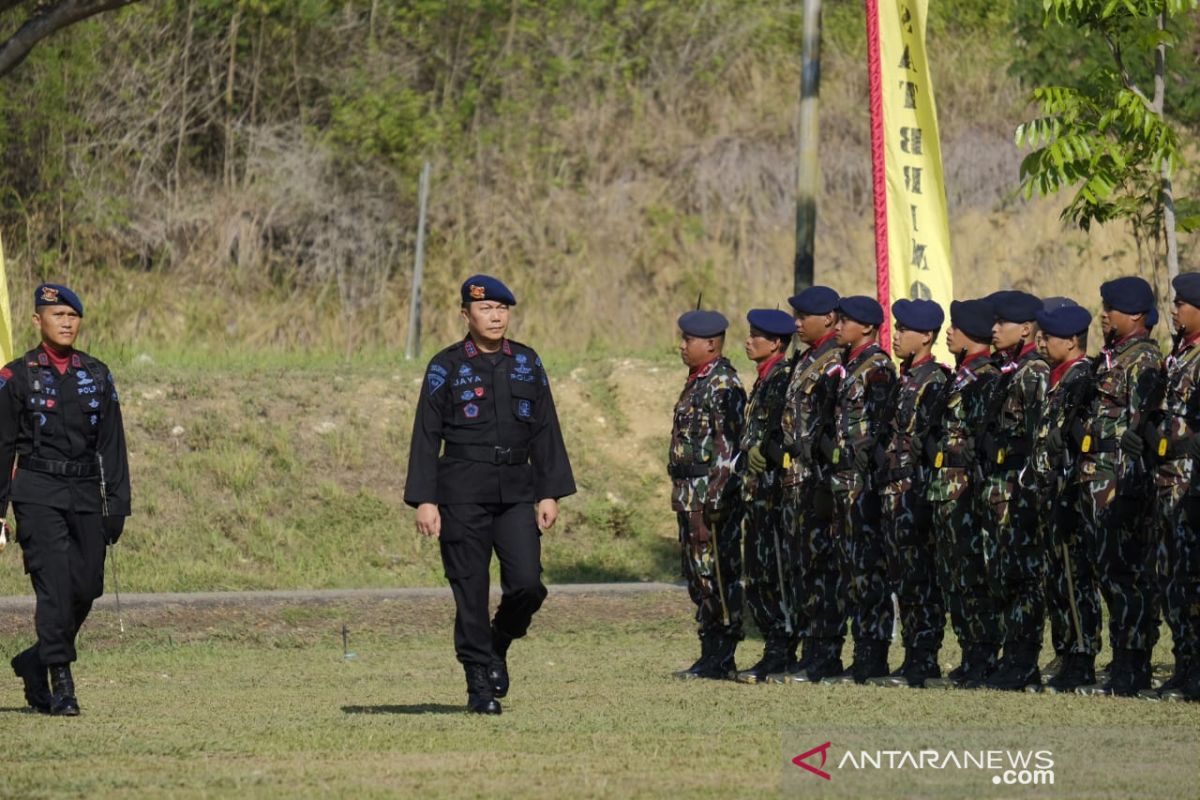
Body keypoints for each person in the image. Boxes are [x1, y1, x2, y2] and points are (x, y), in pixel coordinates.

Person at [403, 275, 575, 715]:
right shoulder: (446, 366)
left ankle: (499, 641)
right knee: (470, 591)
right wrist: (425, 499)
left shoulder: (527, 362)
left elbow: (545, 428)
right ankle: (478, 683)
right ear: (466, 314)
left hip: (517, 490)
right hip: (461, 491)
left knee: (528, 585)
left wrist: (549, 492)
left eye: (502, 309)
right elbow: (426, 435)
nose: (495, 316)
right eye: (485, 309)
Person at [0, 283, 131, 716]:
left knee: (88, 585)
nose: (67, 323)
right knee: (54, 588)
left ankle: (34, 661)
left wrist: (117, 504)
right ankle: (61, 682)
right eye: (57, 316)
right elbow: (1, 448)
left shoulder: (96, 374)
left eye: (73, 316)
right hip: (36, 492)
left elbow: (112, 445)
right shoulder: (16, 376)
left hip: (85, 491)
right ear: (38, 321)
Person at [1075, 277, 1163, 696]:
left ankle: (1135, 663)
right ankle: (1123, 659)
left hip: (1121, 480)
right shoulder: (1114, 358)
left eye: (1111, 309)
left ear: (1136, 315)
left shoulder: (1142, 359)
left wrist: (1133, 486)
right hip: (1100, 479)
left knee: (1126, 576)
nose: (1103, 315)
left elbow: (1140, 428)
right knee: (1109, 574)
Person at [924, 298, 1003, 689]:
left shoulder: (985, 378)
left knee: (973, 576)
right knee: (955, 577)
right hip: (946, 490)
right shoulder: (961, 376)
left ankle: (983, 654)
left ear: (970, 333)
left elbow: (977, 440)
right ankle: (971, 652)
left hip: (966, 491)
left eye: (955, 327)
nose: (948, 333)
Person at [871, 299, 950, 689]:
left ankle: (924, 657)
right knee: (903, 578)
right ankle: (912, 656)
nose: (897, 336)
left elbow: (926, 442)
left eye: (904, 330)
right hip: (892, 490)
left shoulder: (933, 380)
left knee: (920, 579)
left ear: (927, 337)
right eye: (896, 328)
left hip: (913, 490)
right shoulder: (906, 379)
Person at [820, 296, 897, 685]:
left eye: (846, 321)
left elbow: (879, 429)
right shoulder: (850, 366)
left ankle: (874, 652)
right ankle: (862, 648)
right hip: (844, 483)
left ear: (866, 327)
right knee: (852, 570)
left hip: (862, 482)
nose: (838, 327)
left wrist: (853, 458)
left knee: (869, 572)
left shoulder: (877, 367)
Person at [772, 286, 846, 683]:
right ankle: (808, 647)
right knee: (802, 568)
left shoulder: (835, 361)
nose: (797, 324)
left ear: (830, 319)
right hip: (794, 479)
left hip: (818, 479)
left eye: (804, 317)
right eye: (796, 316)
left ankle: (826, 652)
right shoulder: (806, 359)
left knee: (822, 569)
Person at [977, 291, 1050, 691]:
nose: (993, 329)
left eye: (1002, 322)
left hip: (1018, 490)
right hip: (997, 488)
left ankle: (1023, 661)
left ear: (1026, 329)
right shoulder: (1010, 370)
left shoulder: (1033, 372)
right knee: (1002, 573)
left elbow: (1039, 435)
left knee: (1023, 576)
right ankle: (1011, 654)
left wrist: (1027, 488)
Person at [669, 309, 746, 680]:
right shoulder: (698, 380)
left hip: (709, 498)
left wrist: (718, 497)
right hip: (689, 495)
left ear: (711, 344)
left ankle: (722, 653)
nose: (682, 346)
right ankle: (709, 650)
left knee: (716, 573)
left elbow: (730, 448)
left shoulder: (723, 385)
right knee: (698, 575)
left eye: (689, 340)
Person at [1035, 302, 1103, 693]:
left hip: (1072, 495)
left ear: (1073, 340)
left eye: (1049, 337)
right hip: (1050, 496)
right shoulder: (1056, 378)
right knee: (1057, 580)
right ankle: (1065, 650)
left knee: (1077, 581)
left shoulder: (1083, 380)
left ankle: (1082, 655)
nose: (1042, 342)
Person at [1147, 272, 1200, 702]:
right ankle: (1184, 666)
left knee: (1193, 581)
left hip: (1190, 485)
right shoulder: (1178, 357)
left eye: (1181, 303)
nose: (1174, 309)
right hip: (1167, 484)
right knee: (1172, 581)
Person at [735, 309, 796, 683]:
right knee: (758, 574)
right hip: (755, 494)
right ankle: (775, 647)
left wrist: (767, 452)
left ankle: (782, 650)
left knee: (774, 573)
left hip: (773, 493)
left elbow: (784, 435)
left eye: (757, 335)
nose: (748, 340)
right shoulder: (764, 379)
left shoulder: (781, 379)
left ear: (776, 343)